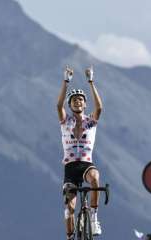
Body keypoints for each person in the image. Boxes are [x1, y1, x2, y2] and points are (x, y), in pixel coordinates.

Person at [57, 65, 103, 240]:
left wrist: (91, 82)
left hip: (85, 164)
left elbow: (99, 108)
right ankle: (70, 237)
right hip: (70, 169)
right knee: (69, 209)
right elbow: (58, 104)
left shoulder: (90, 122)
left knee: (95, 177)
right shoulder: (65, 121)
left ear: (84, 104)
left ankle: (93, 217)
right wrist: (65, 81)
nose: (77, 101)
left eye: (80, 100)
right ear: (70, 105)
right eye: (74, 100)